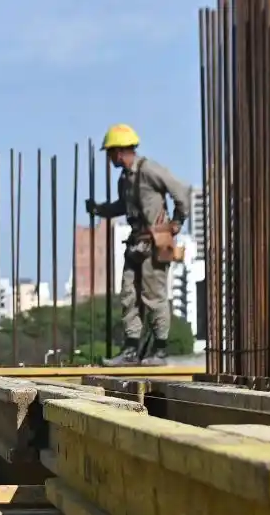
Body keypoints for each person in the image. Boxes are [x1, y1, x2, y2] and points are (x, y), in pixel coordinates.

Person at [85, 123, 192, 366]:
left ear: (120, 151)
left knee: (153, 296)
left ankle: (160, 350)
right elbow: (122, 206)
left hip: (155, 242)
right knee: (129, 296)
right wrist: (99, 209)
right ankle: (131, 350)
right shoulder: (125, 179)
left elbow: (181, 192)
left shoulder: (149, 170)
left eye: (111, 152)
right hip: (136, 243)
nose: (110, 157)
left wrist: (176, 223)